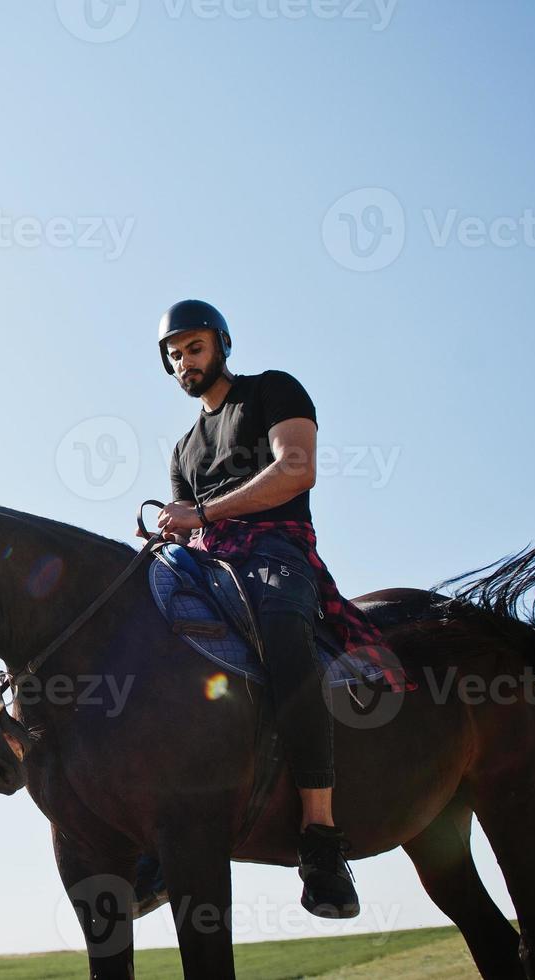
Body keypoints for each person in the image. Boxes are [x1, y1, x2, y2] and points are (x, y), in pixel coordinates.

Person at [136, 298, 382, 919]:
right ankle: (155, 832)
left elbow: (297, 470)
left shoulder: (271, 391)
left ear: (220, 344)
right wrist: (173, 534)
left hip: (278, 552)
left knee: (282, 635)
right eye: (175, 355)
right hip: (208, 565)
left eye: (194, 348)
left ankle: (321, 837)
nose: (185, 361)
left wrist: (204, 514)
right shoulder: (184, 449)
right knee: (140, 639)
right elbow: (187, 530)